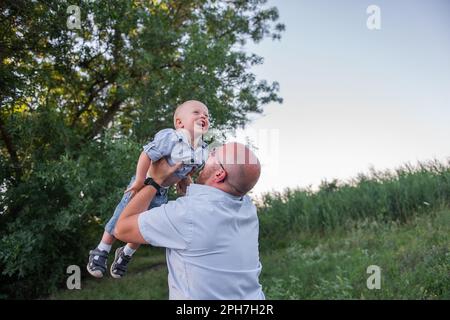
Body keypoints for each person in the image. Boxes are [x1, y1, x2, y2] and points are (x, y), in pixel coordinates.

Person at [115, 142, 265, 299]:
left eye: (214, 154)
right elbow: (208, 211)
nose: (211, 151)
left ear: (220, 174)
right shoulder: (247, 208)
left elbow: (122, 229)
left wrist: (155, 180)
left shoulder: (188, 214)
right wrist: (187, 184)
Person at [87, 100, 210, 279]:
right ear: (179, 123)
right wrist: (138, 180)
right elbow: (146, 154)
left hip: (162, 190)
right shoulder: (171, 137)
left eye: (206, 115)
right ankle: (101, 249)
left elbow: (187, 170)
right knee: (121, 215)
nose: (203, 116)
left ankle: (126, 253)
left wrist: (185, 180)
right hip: (145, 183)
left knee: (146, 224)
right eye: (197, 112)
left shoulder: (201, 149)